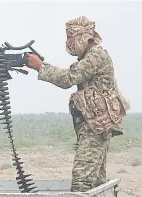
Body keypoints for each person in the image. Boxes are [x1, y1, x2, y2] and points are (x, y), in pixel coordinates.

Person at [26, 16, 130, 192]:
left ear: (82, 36)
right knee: (96, 181)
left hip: (96, 127)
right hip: (95, 125)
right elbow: (72, 73)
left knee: (81, 181)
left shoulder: (96, 56)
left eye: (70, 37)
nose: (68, 42)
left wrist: (41, 67)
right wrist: (43, 65)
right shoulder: (90, 57)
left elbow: (69, 78)